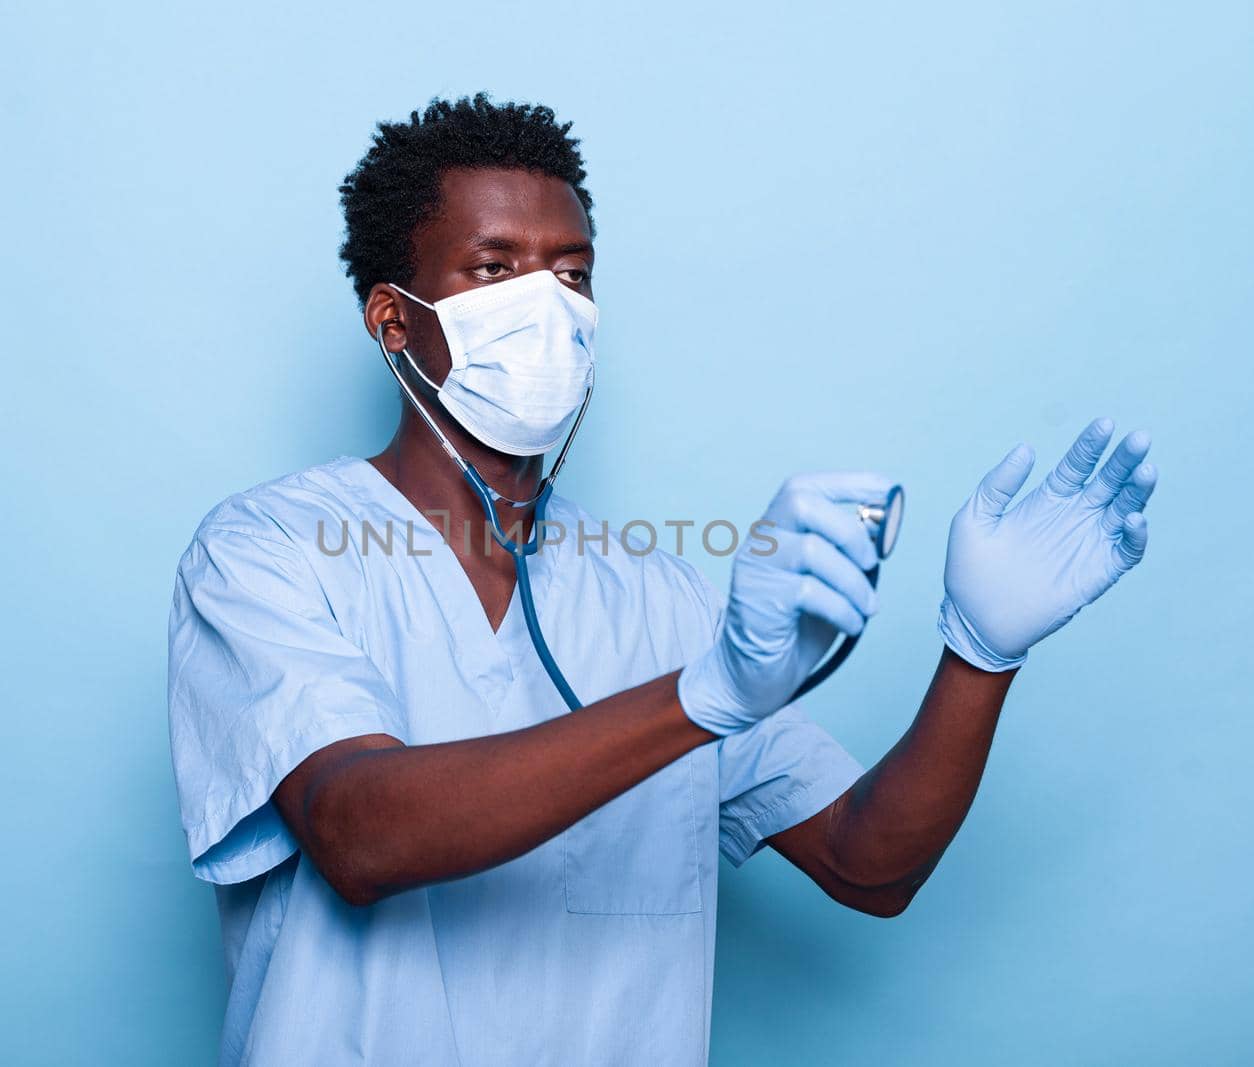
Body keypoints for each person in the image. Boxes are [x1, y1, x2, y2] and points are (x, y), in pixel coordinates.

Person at [167, 94, 1157, 1066]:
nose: (545, 305)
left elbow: (871, 862)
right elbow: (359, 834)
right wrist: (702, 696)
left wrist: (978, 652)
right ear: (393, 320)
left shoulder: (663, 600)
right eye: (493, 268)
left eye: (571, 273)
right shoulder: (269, 548)